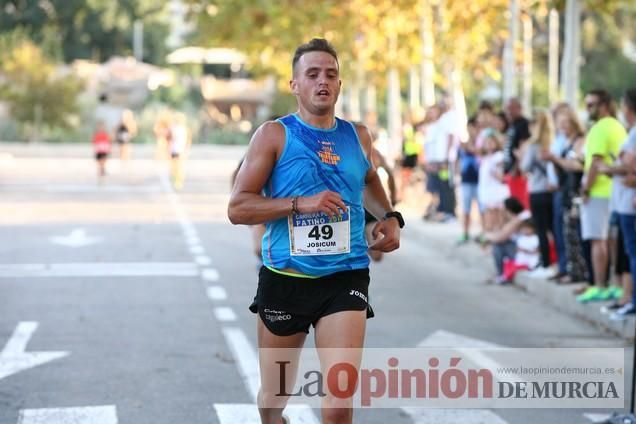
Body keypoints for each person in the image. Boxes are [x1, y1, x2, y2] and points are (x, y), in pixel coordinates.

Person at [227, 38, 402, 424]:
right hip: (285, 278)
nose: (323, 81)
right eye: (312, 74)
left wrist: (389, 216)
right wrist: (298, 203)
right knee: (275, 395)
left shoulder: (358, 136)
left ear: (339, 85)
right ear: (295, 85)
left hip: (345, 276)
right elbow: (238, 207)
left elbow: (370, 179)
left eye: (331, 74)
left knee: (339, 402)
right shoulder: (274, 135)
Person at [576, 89, 626, 303]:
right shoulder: (618, 127)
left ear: (604, 105)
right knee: (612, 240)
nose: (588, 110)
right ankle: (615, 284)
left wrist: (586, 188)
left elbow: (595, 162)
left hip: (598, 191)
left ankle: (599, 285)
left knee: (598, 240)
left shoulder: (598, 129)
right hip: (615, 191)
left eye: (592, 105)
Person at [597, 89, 636, 319]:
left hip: (629, 205)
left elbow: (629, 164)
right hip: (624, 202)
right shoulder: (630, 132)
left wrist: (610, 168)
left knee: (631, 252)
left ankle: (631, 300)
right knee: (626, 252)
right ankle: (627, 298)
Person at [519, 109, 557, 278]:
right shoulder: (553, 143)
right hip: (552, 191)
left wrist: (521, 155)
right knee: (553, 229)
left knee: (541, 229)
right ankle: (556, 262)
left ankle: (546, 262)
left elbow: (525, 167)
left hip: (538, 190)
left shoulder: (533, 146)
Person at [456, 117, 482, 243]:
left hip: (479, 181)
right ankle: (465, 232)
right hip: (466, 180)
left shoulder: (481, 143)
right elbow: (457, 161)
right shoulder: (461, 145)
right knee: (466, 209)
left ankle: (484, 232)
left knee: (482, 209)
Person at [503, 97, 531, 209]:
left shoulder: (523, 124)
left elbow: (523, 148)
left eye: (511, 108)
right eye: (507, 108)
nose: (508, 111)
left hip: (517, 172)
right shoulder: (511, 125)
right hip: (509, 170)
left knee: (518, 204)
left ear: (519, 108)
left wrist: (517, 167)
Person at [500, 219, 540, 283]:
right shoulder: (521, 238)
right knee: (507, 261)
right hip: (521, 260)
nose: (525, 230)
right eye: (524, 229)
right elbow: (517, 249)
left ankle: (505, 277)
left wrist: (525, 251)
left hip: (529, 262)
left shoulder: (536, 238)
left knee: (514, 267)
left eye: (527, 229)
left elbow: (536, 251)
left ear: (533, 229)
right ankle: (505, 276)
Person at [169, 112, 191, 190]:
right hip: (176, 149)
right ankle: (177, 179)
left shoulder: (179, 128)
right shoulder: (179, 128)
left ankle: (178, 180)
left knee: (178, 166)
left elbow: (187, 140)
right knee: (176, 166)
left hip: (178, 149)